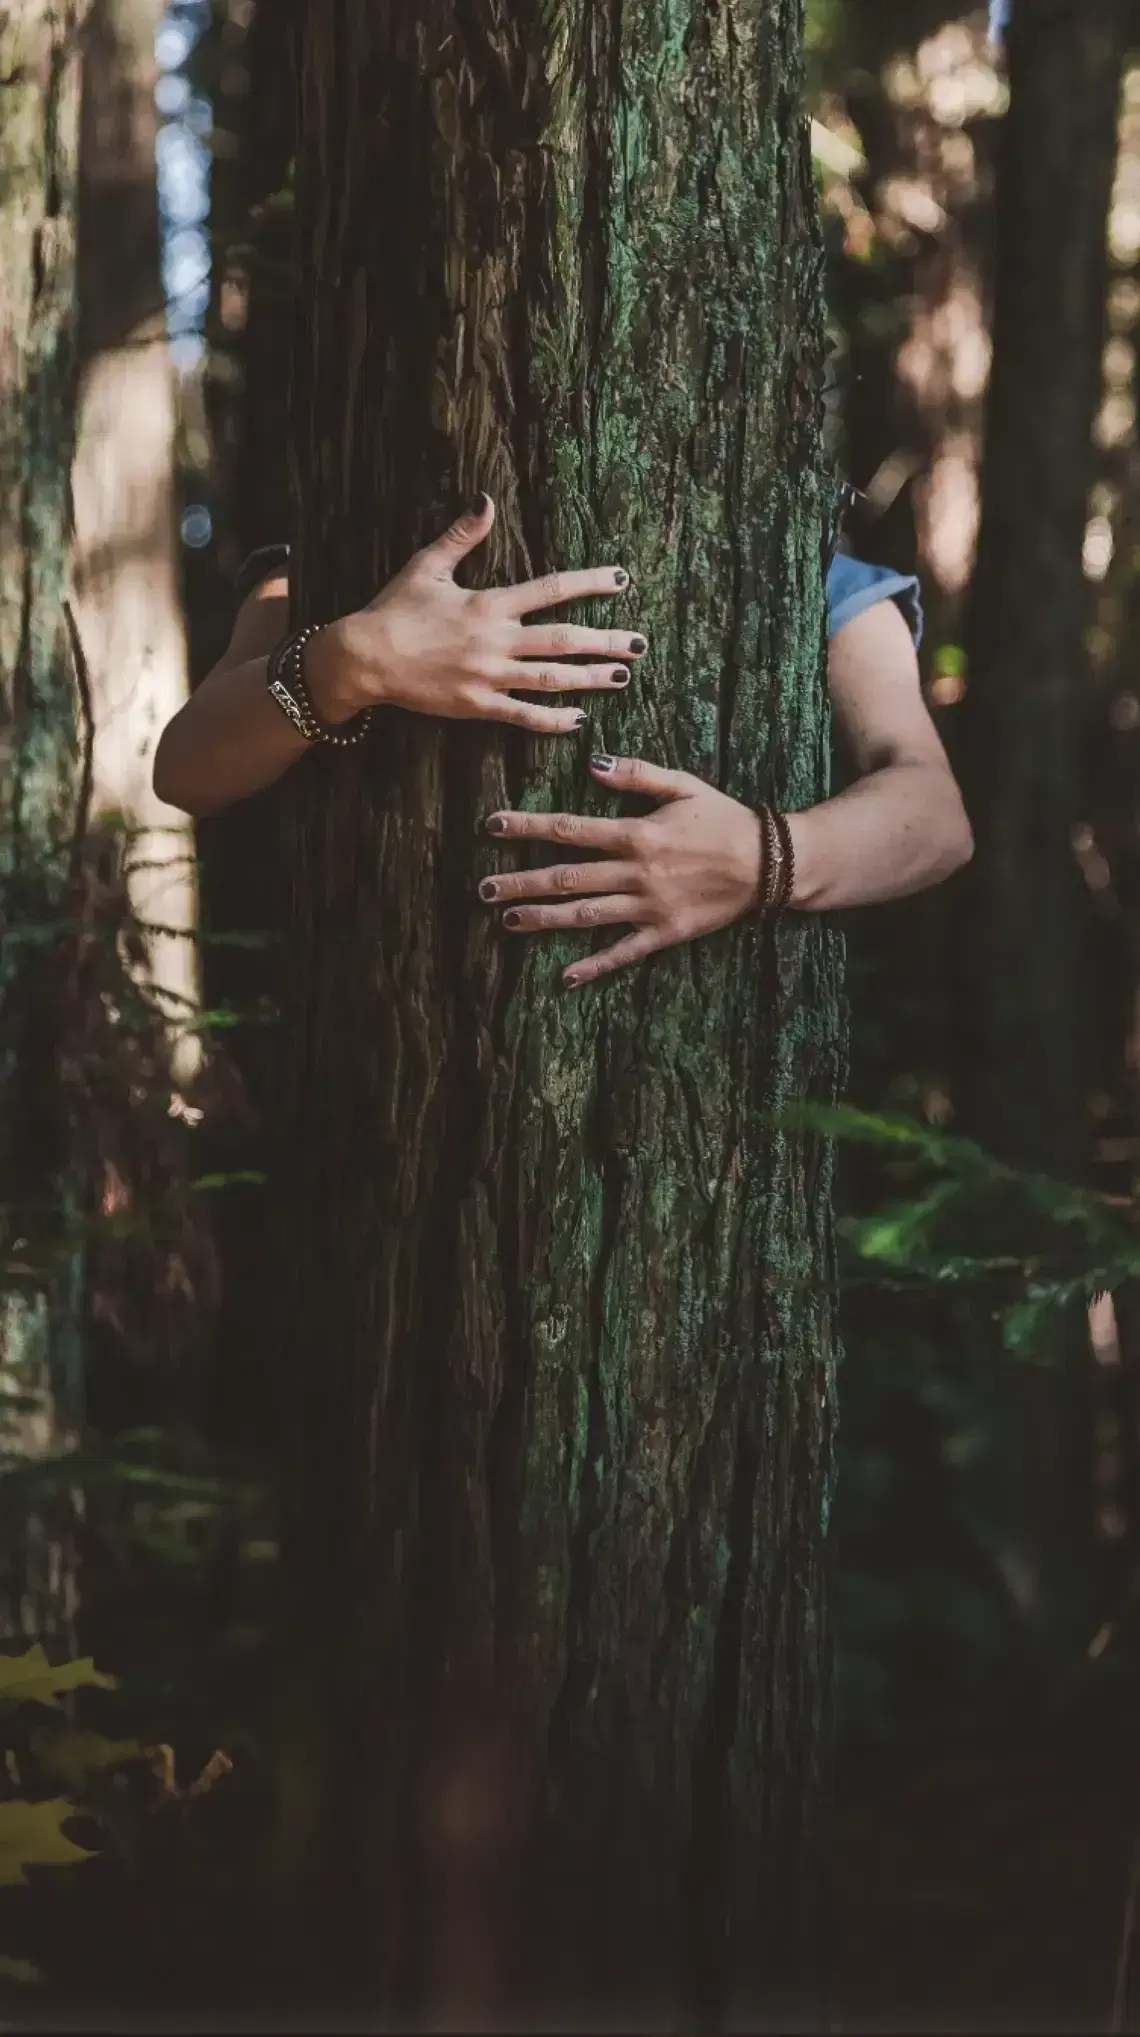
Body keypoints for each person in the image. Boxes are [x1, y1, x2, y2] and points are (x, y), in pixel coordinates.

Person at [154, 494, 972, 983]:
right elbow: (188, 767)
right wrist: (354, 659)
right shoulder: (335, 550)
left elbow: (934, 816)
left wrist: (762, 858)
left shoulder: (812, 579)